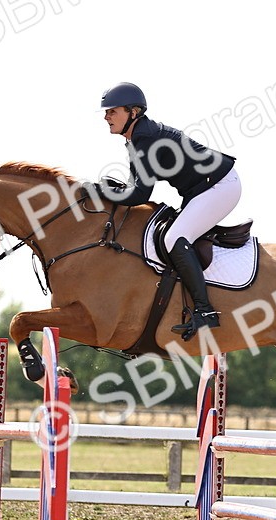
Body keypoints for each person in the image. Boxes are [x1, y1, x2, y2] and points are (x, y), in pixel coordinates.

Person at [91, 82, 241, 340]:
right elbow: (135, 187)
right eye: (106, 112)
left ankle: (205, 312)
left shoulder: (145, 139)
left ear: (133, 112)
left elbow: (140, 195)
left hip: (220, 186)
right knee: (171, 235)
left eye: (113, 111)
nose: (106, 117)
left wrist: (100, 191)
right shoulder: (137, 138)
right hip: (203, 189)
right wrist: (108, 189)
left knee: (174, 238)